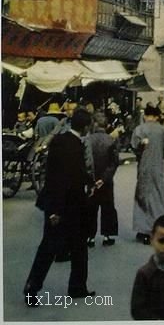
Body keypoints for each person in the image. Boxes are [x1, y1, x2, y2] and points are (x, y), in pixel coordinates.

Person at [24, 108, 94, 305]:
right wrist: (57, 210)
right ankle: (76, 287)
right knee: (75, 247)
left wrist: (89, 181)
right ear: (87, 126)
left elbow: (55, 173)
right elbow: (65, 177)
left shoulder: (61, 141)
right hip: (67, 205)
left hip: (58, 203)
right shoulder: (75, 146)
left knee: (50, 247)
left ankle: (33, 286)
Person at [132, 105, 164, 244]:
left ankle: (143, 229)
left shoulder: (139, 129)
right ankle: (158, 228)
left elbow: (134, 148)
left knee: (142, 197)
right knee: (157, 197)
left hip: (143, 168)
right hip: (157, 169)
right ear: (156, 117)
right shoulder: (162, 130)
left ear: (145, 115)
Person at [87, 112, 119, 248]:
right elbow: (114, 162)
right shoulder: (111, 140)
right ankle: (107, 235)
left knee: (90, 208)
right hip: (106, 180)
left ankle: (90, 237)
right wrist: (104, 178)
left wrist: (91, 179)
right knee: (108, 207)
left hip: (91, 179)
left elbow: (86, 161)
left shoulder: (88, 140)